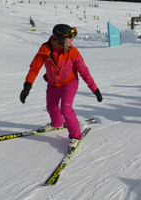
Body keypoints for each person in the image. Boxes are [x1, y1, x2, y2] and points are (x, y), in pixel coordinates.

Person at [19, 24, 103, 153]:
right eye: (69, 37)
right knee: (51, 106)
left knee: (65, 108)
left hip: (70, 82)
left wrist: (95, 90)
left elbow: (84, 72)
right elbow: (34, 68)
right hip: (53, 84)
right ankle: (57, 123)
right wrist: (27, 86)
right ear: (60, 40)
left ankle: (75, 135)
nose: (72, 40)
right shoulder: (45, 50)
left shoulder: (73, 52)